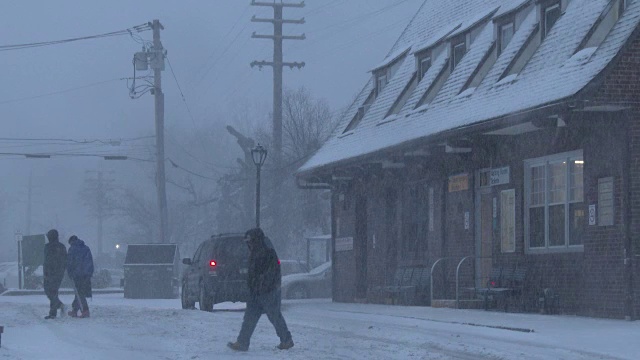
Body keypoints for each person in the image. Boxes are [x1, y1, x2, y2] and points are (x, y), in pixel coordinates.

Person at [227, 228, 294, 352]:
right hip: (255, 292)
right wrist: (252, 286)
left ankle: (286, 340)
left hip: (268, 292)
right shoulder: (254, 253)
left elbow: (272, 272)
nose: (248, 244)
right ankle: (242, 342)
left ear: (256, 240)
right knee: (249, 318)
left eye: (250, 241)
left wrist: (263, 285)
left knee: (274, 316)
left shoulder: (268, 253)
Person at [66, 235, 94, 318]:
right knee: (79, 292)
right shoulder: (86, 248)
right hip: (86, 274)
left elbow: (70, 262)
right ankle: (75, 310)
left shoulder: (72, 249)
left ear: (71, 242)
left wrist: (70, 272)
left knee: (79, 293)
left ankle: (85, 310)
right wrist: (89, 273)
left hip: (77, 274)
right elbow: (90, 261)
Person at [43, 229, 67, 319]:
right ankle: (58, 307)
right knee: (52, 292)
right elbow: (65, 259)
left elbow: (46, 261)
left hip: (51, 273)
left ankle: (53, 312)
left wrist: (46, 272)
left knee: (50, 291)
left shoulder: (48, 247)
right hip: (58, 273)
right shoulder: (61, 247)